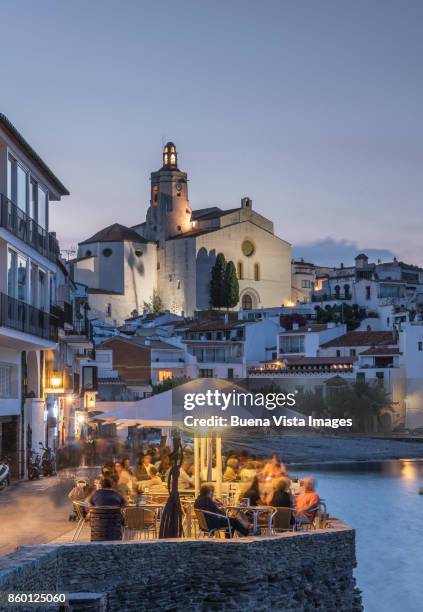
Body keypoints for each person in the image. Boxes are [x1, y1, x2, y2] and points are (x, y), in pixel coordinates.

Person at [87, 477, 126, 542]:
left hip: (98, 525)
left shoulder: (96, 493)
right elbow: (124, 504)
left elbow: (90, 504)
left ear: (101, 485)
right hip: (114, 525)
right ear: (111, 485)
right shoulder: (116, 494)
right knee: (122, 517)